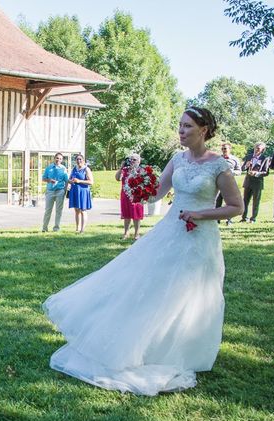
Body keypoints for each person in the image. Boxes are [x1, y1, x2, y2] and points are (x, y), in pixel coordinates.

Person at [43, 107, 244, 396]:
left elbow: (236, 207)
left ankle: (182, 347)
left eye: (187, 126)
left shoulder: (218, 165)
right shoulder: (177, 159)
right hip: (170, 231)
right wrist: (137, 187)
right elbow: (157, 193)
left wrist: (201, 215)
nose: (181, 131)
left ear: (203, 130)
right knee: (154, 286)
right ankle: (143, 344)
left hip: (201, 238)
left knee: (191, 293)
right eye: (179, 126)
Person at [115, 153, 145, 240]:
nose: (132, 161)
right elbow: (117, 178)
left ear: (139, 161)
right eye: (131, 159)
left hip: (137, 196)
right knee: (126, 214)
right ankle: (126, 233)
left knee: (136, 214)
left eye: (134, 159)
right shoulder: (125, 170)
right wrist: (121, 168)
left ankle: (137, 234)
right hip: (125, 195)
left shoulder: (141, 171)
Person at [240, 142, 270, 223]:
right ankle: (244, 217)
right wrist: (246, 165)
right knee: (245, 200)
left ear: (262, 150)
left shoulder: (265, 158)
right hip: (248, 181)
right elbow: (242, 168)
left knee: (256, 201)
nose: (256, 149)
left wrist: (256, 173)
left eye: (258, 148)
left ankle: (253, 218)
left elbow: (266, 172)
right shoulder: (249, 156)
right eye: (255, 147)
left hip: (257, 183)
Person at [41, 153, 69, 232]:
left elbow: (66, 180)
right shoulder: (49, 168)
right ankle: (44, 228)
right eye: (57, 158)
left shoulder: (63, 169)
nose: (58, 160)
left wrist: (65, 190)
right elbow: (43, 179)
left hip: (60, 191)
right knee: (48, 210)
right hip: (50, 191)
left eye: (60, 159)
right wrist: (50, 180)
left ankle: (56, 228)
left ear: (62, 160)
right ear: (54, 158)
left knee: (58, 211)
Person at [215, 142, 241, 225]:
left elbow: (239, 171)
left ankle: (229, 220)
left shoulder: (235, 159)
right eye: (222, 149)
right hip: (218, 183)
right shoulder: (217, 159)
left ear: (230, 149)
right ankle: (217, 219)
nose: (223, 150)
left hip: (230, 183)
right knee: (217, 202)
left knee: (229, 203)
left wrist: (231, 172)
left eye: (225, 148)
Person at [68, 153, 93, 234]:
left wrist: (79, 181)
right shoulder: (74, 169)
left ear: (83, 160)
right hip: (75, 191)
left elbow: (91, 182)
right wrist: (70, 181)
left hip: (83, 191)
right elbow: (69, 179)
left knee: (83, 210)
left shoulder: (86, 169)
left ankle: (82, 229)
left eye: (80, 159)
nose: (79, 161)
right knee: (76, 210)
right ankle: (77, 228)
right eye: (77, 159)